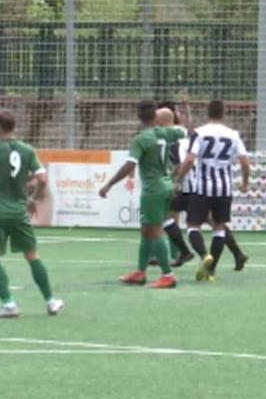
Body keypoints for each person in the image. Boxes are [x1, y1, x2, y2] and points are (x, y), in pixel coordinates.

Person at [0, 110, 63, 318]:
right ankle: (51, 301)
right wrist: (33, 199)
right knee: (32, 255)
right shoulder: (27, 149)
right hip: (19, 210)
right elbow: (42, 179)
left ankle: (9, 304)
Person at [99, 100, 186, 289]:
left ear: (138, 117)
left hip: (153, 190)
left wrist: (108, 184)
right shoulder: (165, 132)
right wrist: (172, 120)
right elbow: (185, 132)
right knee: (147, 230)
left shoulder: (141, 139)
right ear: (155, 116)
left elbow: (130, 165)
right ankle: (140, 271)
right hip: (166, 185)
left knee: (155, 231)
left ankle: (168, 275)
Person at [175, 99, 250, 282]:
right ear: (224, 114)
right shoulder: (233, 134)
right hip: (224, 188)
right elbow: (245, 162)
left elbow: (190, 160)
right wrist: (245, 182)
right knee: (219, 228)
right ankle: (212, 270)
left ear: (207, 113)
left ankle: (204, 255)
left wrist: (179, 179)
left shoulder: (199, 133)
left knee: (193, 226)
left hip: (202, 187)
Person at [157, 101, 198, 266]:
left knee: (169, 217)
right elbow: (188, 125)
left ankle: (177, 253)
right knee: (173, 217)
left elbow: (178, 160)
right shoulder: (182, 131)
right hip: (185, 178)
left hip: (178, 178)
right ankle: (177, 253)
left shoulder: (169, 134)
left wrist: (175, 176)